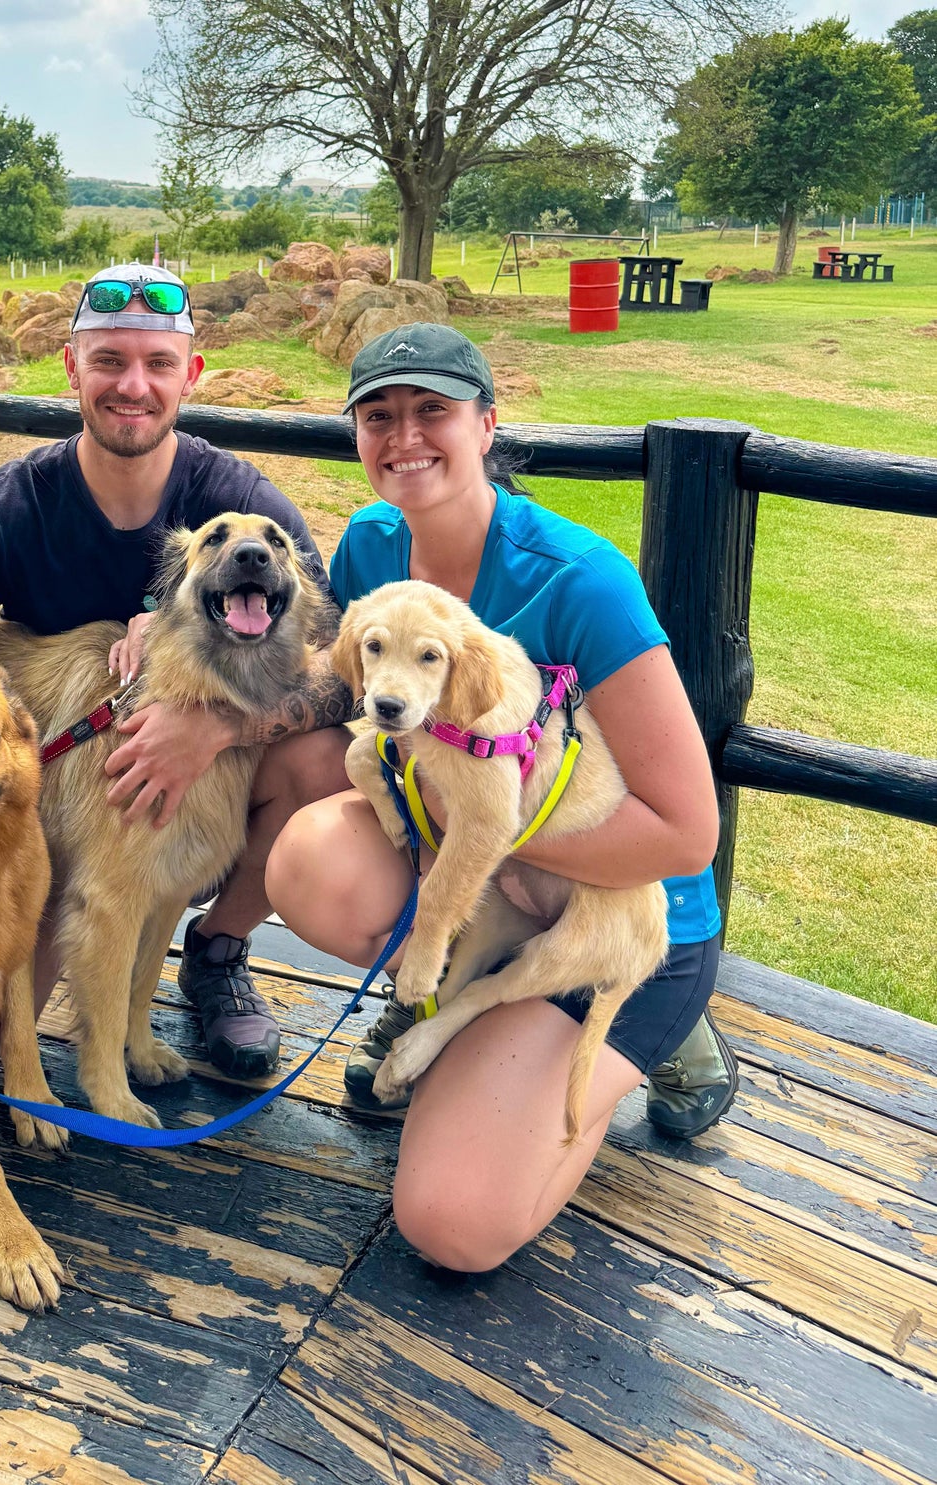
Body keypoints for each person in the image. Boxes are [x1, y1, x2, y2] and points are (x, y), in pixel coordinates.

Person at [0, 264, 352, 1082]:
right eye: (110, 361)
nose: (134, 385)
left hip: (137, 781)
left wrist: (215, 725)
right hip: (24, 795)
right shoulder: (9, 505)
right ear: (71, 367)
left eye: (158, 363)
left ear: (189, 375)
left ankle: (218, 948)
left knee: (320, 758)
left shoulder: (237, 500)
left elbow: (334, 663)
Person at [264, 323, 738, 1274]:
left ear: (487, 423)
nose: (405, 437)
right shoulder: (372, 547)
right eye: (379, 416)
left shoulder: (580, 580)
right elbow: (339, 684)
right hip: (481, 879)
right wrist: (193, 689)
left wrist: (486, 838)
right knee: (310, 858)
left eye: (432, 411)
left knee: (452, 1222)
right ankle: (462, 1006)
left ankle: (634, 1038)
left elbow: (688, 831)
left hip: (622, 914)